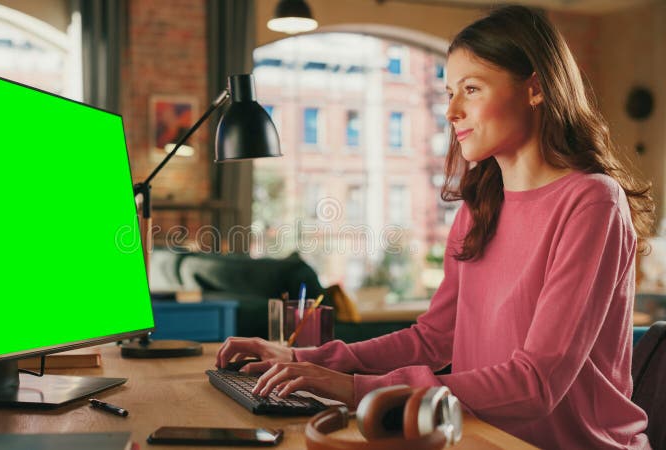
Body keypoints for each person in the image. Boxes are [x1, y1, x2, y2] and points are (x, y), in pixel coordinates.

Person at [215, 5, 655, 449]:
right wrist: (301, 358)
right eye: (448, 93)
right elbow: (434, 338)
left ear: (535, 89)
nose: (452, 111)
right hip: (482, 440)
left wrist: (354, 390)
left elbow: (535, 383)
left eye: (471, 89)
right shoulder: (480, 207)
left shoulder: (592, 202)